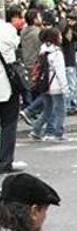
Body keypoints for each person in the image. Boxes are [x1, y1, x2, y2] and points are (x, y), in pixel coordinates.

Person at [28, 28, 68, 142]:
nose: (61, 37)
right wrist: (65, 87)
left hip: (44, 84)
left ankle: (36, 130)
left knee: (47, 109)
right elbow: (60, 72)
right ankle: (58, 133)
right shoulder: (57, 52)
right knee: (60, 109)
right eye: (59, 36)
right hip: (55, 84)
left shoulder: (43, 50)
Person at [0, 18, 27, 173]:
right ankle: (5, 161)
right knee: (9, 124)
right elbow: (16, 43)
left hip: (5, 85)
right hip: (5, 85)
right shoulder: (6, 29)